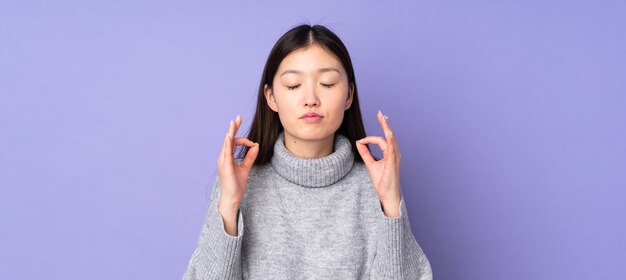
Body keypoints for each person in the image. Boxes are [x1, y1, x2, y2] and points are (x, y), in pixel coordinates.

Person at [182, 24, 432, 279]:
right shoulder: (237, 183)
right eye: (293, 85)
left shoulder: (375, 185)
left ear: (349, 95)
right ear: (271, 98)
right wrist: (229, 203)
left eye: (327, 83)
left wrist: (391, 202)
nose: (310, 98)